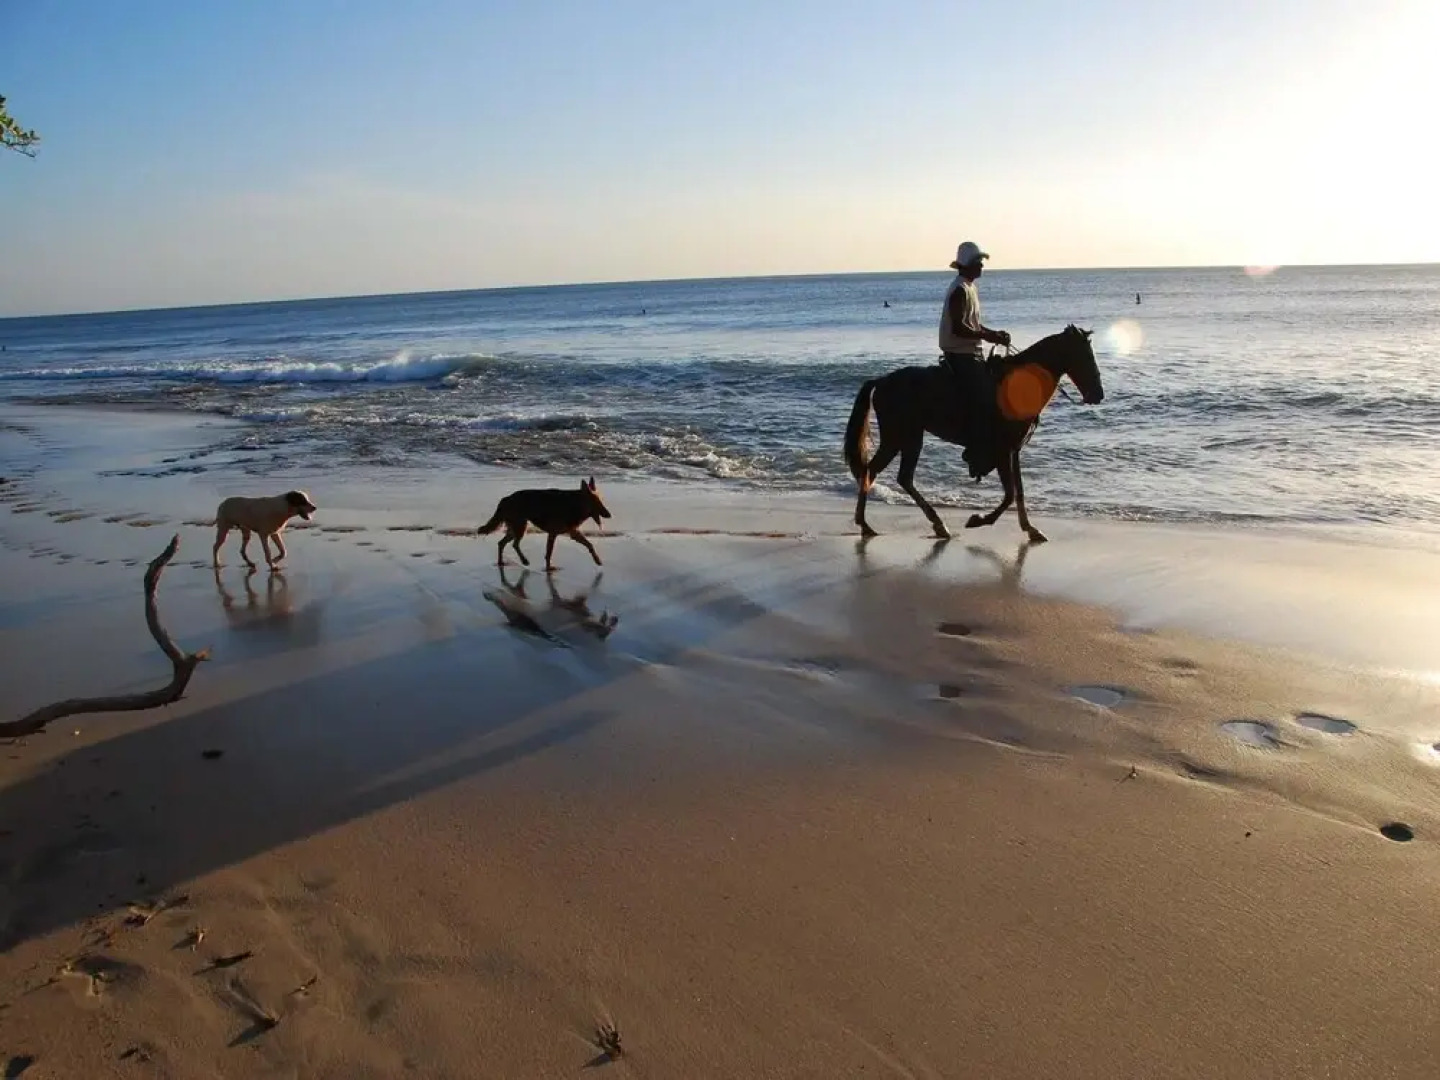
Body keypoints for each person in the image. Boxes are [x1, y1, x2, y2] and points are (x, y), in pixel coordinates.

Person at [939, 240, 1010, 478]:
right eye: (978, 262)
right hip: (961, 355)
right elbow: (959, 328)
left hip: (971, 352)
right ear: (967, 265)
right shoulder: (959, 290)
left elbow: (974, 325)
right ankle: (975, 452)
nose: (982, 266)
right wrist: (988, 336)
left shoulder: (970, 287)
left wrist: (994, 334)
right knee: (984, 398)